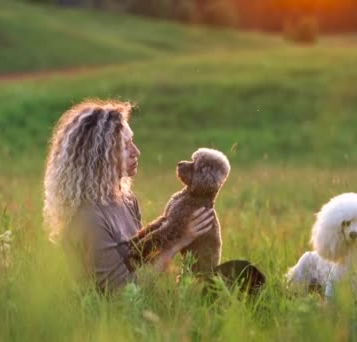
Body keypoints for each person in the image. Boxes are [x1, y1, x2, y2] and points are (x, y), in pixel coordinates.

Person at [43, 99, 264, 293]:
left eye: (133, 142)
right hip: (120, 320)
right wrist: (180, 240)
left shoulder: (126, 200)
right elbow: (124, 294)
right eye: (125, 146)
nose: (136, 152)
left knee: (243, 273)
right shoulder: (90, 218)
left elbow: (145, 261)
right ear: (99, 155)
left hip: (150, 302)